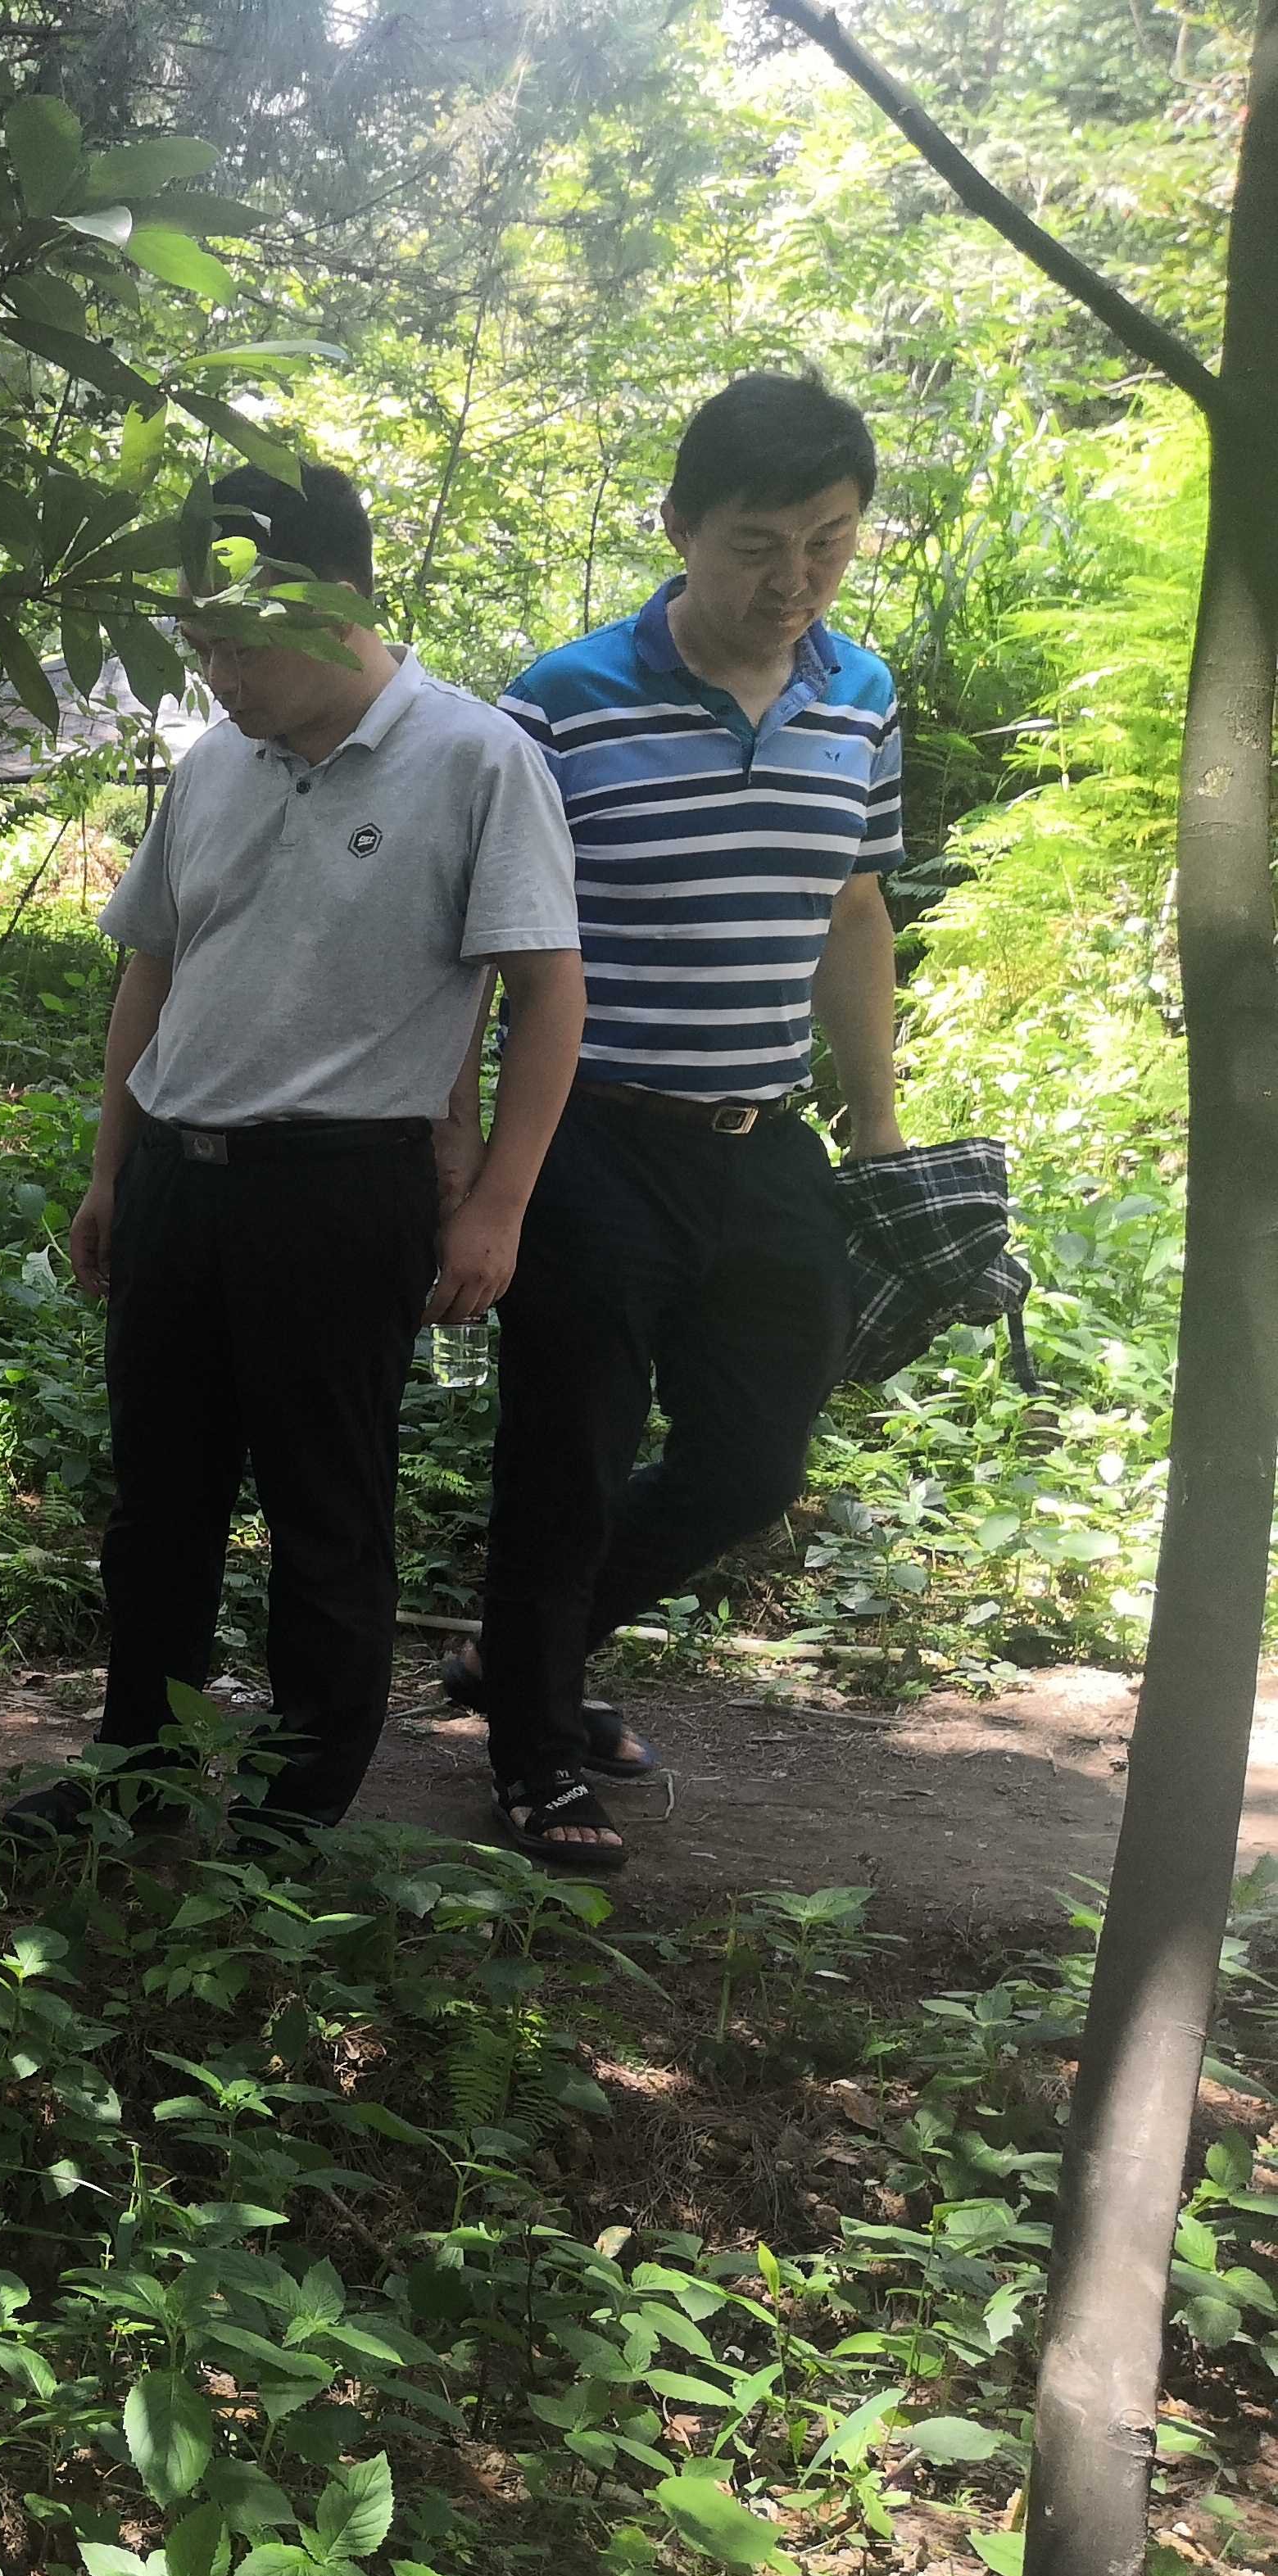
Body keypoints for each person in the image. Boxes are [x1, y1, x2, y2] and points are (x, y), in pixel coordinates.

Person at [52, 460, 584, 1838]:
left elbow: (547, 993)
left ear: (339, 600)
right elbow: (152, 969)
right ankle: (138, 1772)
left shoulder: (475, 760)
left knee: (324, 1515)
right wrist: (111, 1171)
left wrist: (498, 1207)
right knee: (157, 1506)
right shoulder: (212, 765)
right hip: (178, 1177)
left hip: (343, 1189)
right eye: (199, 642)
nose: (217, 674)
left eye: (241, 642)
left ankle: (293, 1813)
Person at [465, 373, 910, 1867]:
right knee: (567, 1455)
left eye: (828, 543)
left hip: (764, 1142)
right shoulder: (558, 702)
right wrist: (473, 1163)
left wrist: (879, 1124)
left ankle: (520, 1655)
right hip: (591, 1138)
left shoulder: (860, 695)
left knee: (755, 1459)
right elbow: (489, 946)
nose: (794, 580)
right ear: (678, 528)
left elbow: (854, 911)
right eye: (756, 545)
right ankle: (533, 1752)